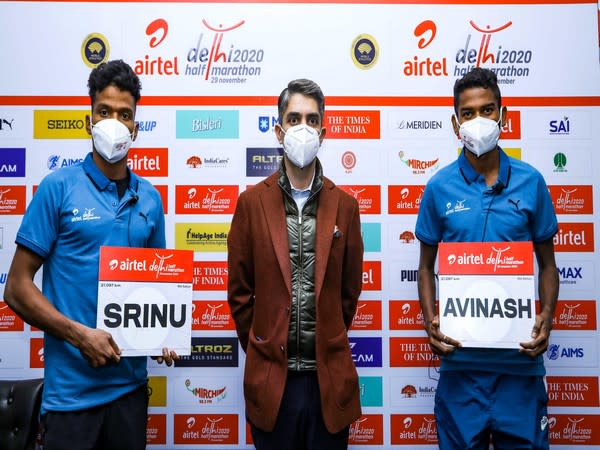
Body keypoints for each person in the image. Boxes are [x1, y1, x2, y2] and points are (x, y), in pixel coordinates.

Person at [4, 60, 176, 450]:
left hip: (130, 393)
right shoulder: (57, 188)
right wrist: (79, 335)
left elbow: (158, 288)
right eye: (105, 111)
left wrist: (166, 331)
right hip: (71, 400)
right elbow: (15, 288)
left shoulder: (149, 198)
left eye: (124, 114)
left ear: (135, 127)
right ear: (89, 121)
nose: (114, 122)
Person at [415, 67, 559, 449]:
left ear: (503, 115)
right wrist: (431, 321)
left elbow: (548, 264)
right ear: (455, 123)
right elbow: (425, 267)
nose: (478, 120)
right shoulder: (438, 187)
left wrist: (547, 316)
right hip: (461, 368)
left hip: (519, 367)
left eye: (487, 110)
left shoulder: (532, 182)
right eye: (468, 112)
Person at [227, 78, 364, 450]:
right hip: (273, 383)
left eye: (312, 119)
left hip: (329, 381)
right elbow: (239, 294)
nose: (303, 128)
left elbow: (349, 295)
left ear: (323, 131)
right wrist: (263, 343)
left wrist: (329, 338)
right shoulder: (251, 204)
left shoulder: (346, 207)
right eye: (293, 118)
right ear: (278, 129)